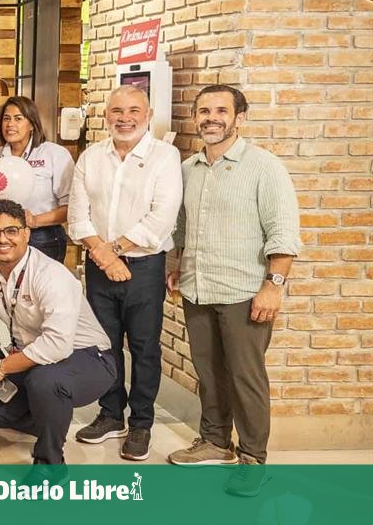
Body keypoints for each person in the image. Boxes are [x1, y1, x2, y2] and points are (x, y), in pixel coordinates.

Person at [166, 85, 300, 497]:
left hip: (245, 291)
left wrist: (274, 286)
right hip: (198, 288)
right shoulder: (188, 168)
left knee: (245, 377)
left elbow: (283, 231)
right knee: (209, 373)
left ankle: (253, 459)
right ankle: (215, 442)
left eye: (221, 111)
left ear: (239, 117)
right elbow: (182, 226)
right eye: (204, 111)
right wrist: (176, 264)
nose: (211, 118)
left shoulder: (264, 167)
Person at [69, 85, 182, 461]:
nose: (125, 118)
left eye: (134, 110)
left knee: (145, 347)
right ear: (107, 116)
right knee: (104, 344)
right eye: (117, 111)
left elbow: (161, 217)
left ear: (148, 116)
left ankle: (142, 423)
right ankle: (111, 415)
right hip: (99, 267)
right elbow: (78, 216)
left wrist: (112, 250)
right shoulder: (91, 157)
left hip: (144, 268)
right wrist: (104, 256)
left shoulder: (165, 156)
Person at [0, 199, 115, 467]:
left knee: (45, 382)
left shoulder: (51, 275)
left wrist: (1, 367)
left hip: (89, 358)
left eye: (11, 231)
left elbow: (57, 345)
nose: (2, 239)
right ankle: (52, 418)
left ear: (26, 233)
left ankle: (49, 462)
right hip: (35, 359)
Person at [0, 96, 73, 264]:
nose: (10, 124)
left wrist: (35, 220)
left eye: (18, 118)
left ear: (32, 124)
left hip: (43, 238)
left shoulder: (54, 154)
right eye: (6, 118)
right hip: (0, 238)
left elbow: (70, 207)